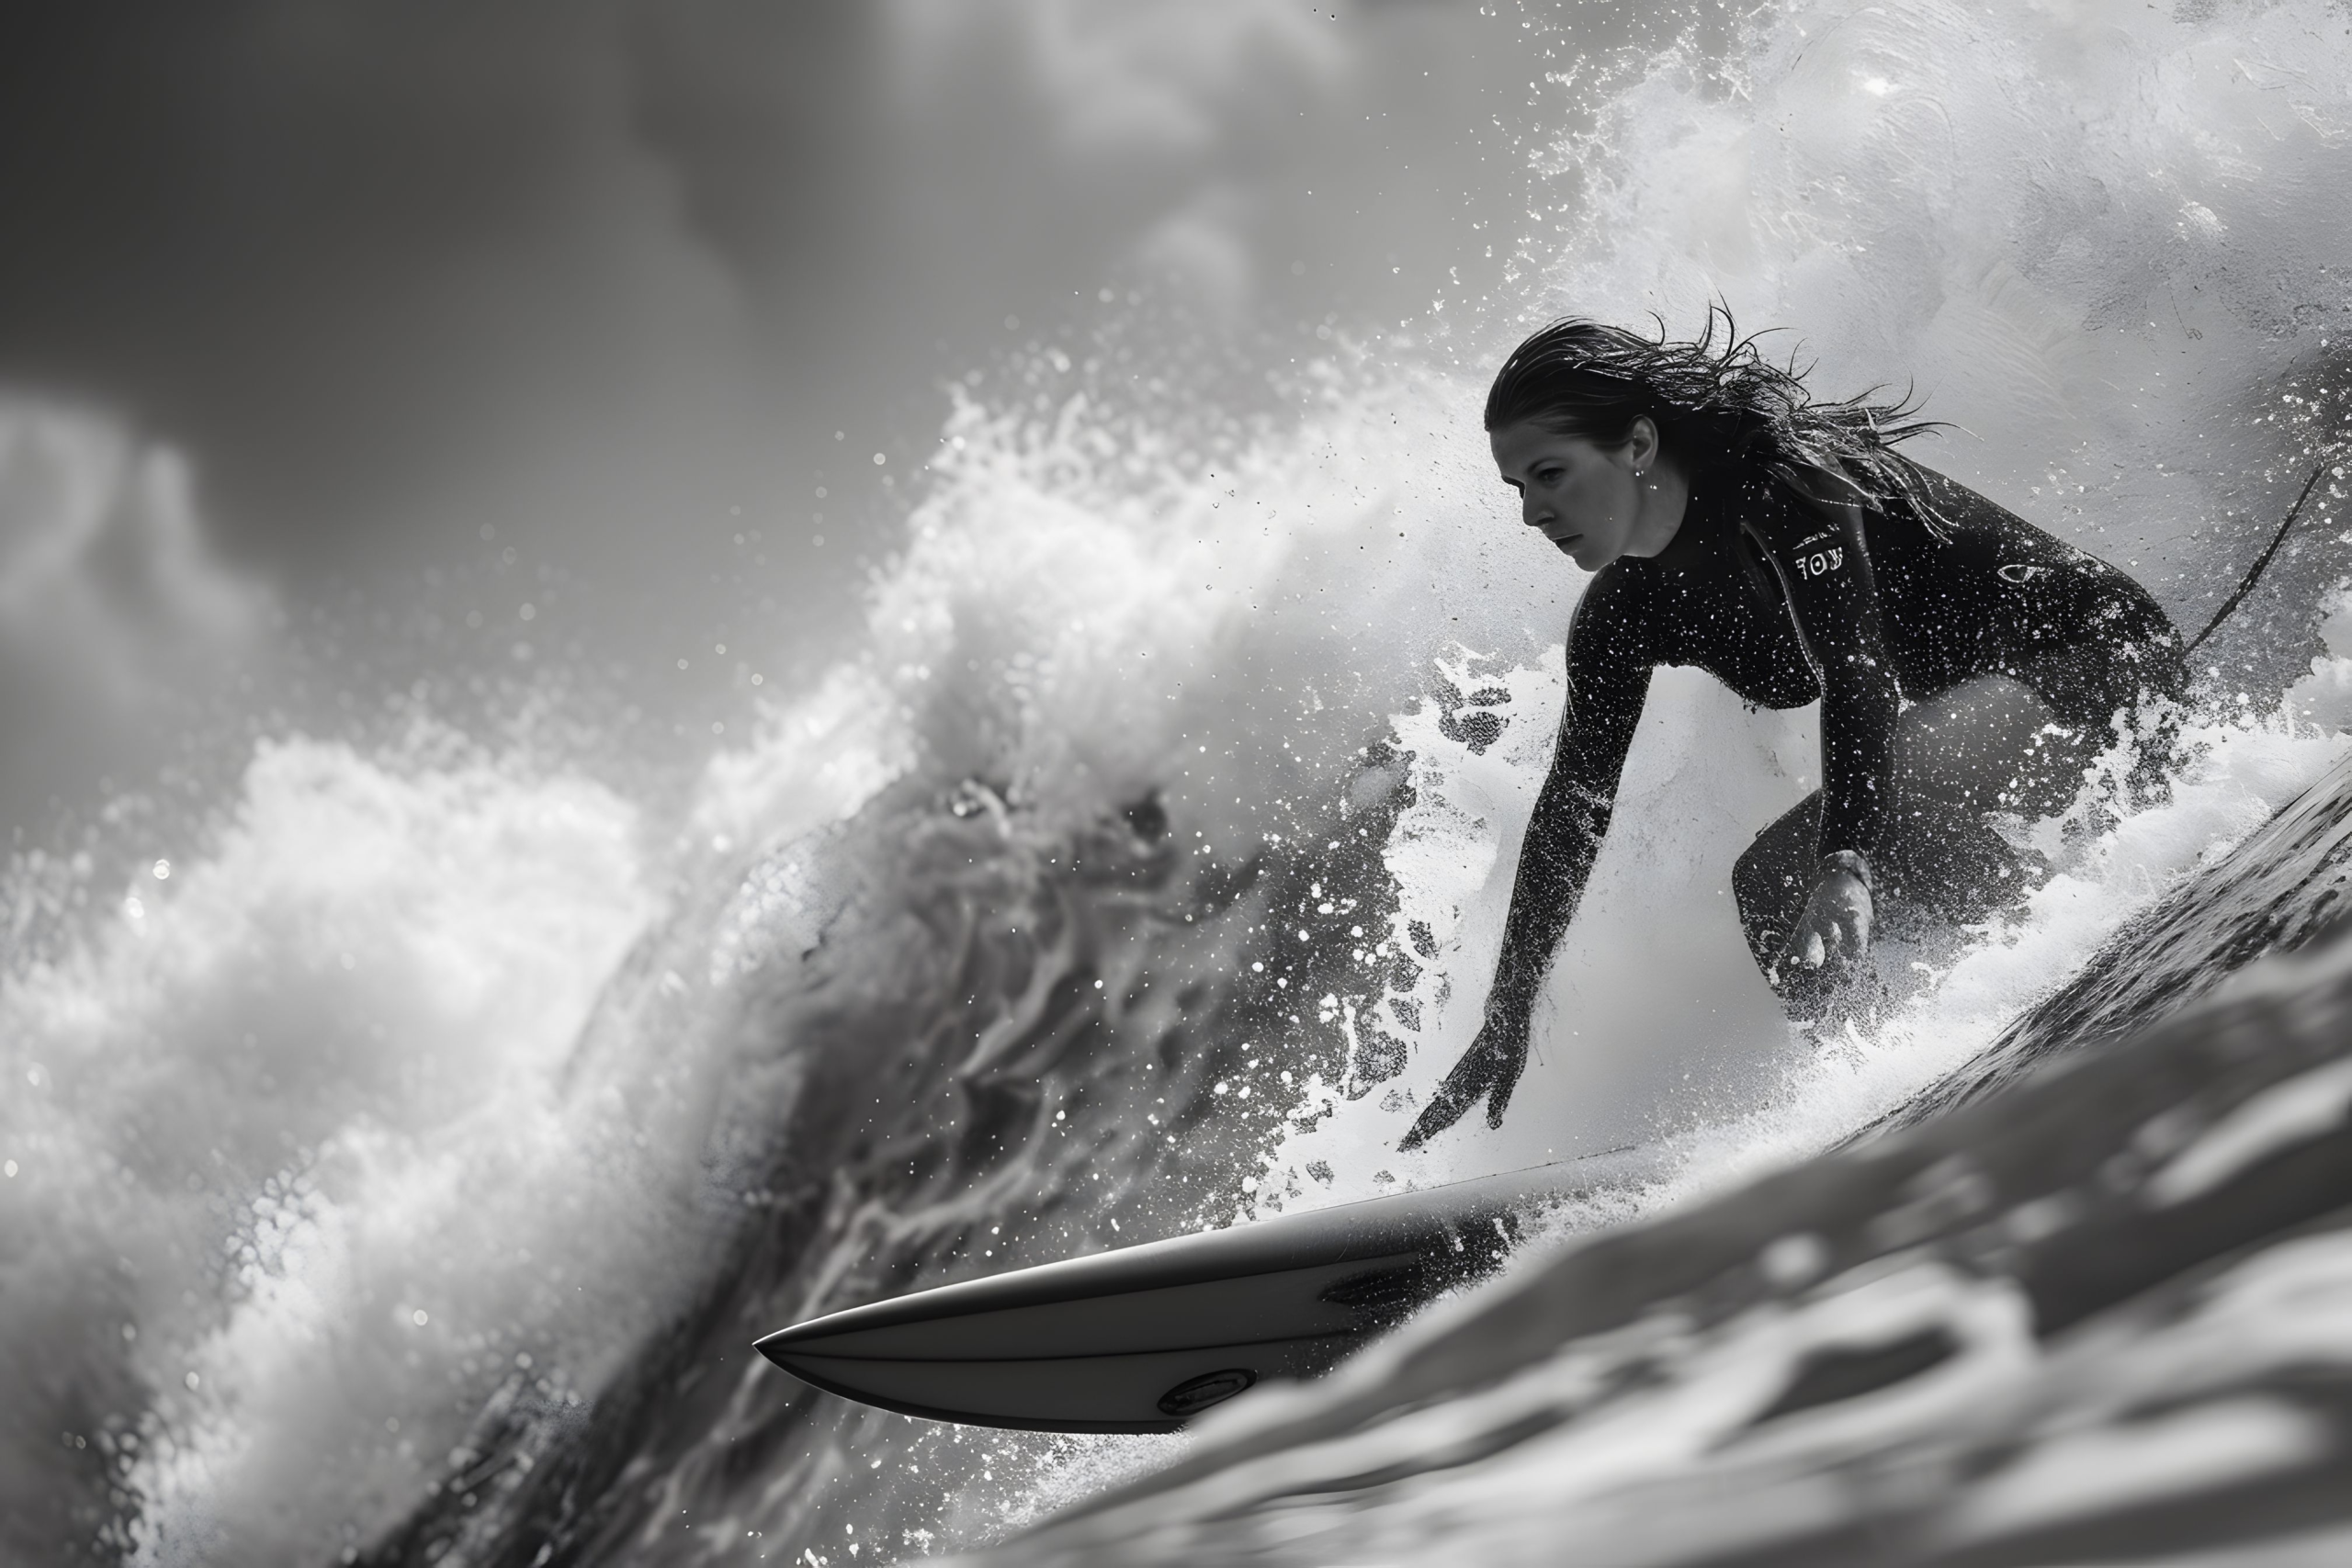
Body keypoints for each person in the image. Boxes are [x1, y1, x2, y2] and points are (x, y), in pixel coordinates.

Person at [1399, 310, 2187, 1150]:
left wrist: (1846, 862)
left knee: (1783, 876)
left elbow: (1858, 671)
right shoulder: (1624, 613)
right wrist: (1510, 1000)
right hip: (1995, 710)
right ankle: (1925, 1087)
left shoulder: (1782, 485)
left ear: (1635, 444)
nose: (1532, 513)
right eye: (1518, 487)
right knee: (1781, 888)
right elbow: (1575, 800)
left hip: (2095, 658)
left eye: (1549, 473)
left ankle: (2069, 1005)